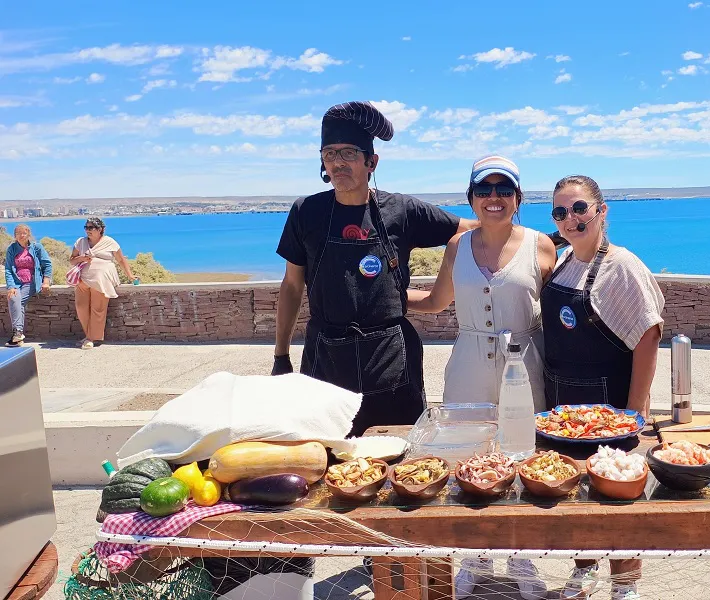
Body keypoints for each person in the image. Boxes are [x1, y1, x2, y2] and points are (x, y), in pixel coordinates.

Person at [272, 100, 478, 437]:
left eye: (349, 153)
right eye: (329, 154)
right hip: (326, 360)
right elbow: (292, 286)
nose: (338, 162)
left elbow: (470, 230)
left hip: (391, 361)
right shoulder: (306, 211)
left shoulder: (402, 210)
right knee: (330, 452)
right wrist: (281, 356)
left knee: (402, 452)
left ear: (372, 162)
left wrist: (547, 237)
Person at [407, 155, 556, 600]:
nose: (494, 197)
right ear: (471, 198)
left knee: (523, 459)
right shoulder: (457, 246)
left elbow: (561, 307)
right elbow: (437, 301)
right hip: (468, 363)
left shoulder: (541, 246)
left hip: (525, 365)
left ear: (518, 198)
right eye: (484, 189)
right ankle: (475, 556)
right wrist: (385, 298)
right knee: (467, 459)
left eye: (504, 189)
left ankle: (521, 554)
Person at [543, 175, 664, 600]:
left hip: (609, 405)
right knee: (574, 492)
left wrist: (634, 411)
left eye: (579, 208)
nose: (571, 219)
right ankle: (584, 569)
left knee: (617, 494)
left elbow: (648, 336)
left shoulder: (622, 266)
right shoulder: (563, 260)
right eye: (560, 212)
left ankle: (625, 584)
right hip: (563, 408)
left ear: (601, 210)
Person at [70, 217, 137, 349]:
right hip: (82, 279)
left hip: (101, 280)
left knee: (98, 309)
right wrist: (81, 258)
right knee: (81, 307)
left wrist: (130, 275)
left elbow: (121, 260)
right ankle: (89, 336)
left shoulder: (110, 242)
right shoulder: (80, 242)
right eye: (86, 227)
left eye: (91, 228)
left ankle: (91, 338)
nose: (87, 230)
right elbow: (72, 260)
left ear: (100, 229)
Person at [4, 224, 53, 346]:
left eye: (24, 233)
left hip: (31, 281)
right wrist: (11, 286)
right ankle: (18, 336)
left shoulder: (36, 247)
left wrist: (46, 281)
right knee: (13, 297)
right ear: (15, 236)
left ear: (28, 234)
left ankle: (17, 334)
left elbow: (47, 264)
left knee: (17, 301)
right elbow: (8, 269)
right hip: (17, 282)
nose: (21, 236)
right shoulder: (12, 249)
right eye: (18, 233)